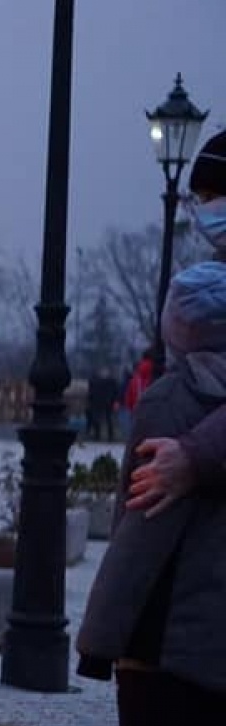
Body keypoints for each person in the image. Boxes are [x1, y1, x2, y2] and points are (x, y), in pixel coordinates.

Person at [77, 255, 226, 726]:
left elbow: (141, 527)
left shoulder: (175, 397)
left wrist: (103, 634)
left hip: (162, 626)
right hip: (216, 629)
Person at [125, 130, 226, 521]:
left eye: (213, 197)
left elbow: (133, 555)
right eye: (199, 201)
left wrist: (195, 457)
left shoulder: (172, 401)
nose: (204, 211)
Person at [86, 365, 121, 443]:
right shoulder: (112, 381)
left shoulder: (94, 380)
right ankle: (109, 436)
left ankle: (98, 435)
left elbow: (91, 392)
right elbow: (116, 392)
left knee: (99, 419)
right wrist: (116, 400)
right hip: (107, 401)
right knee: (108, 419)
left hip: (99, 402)